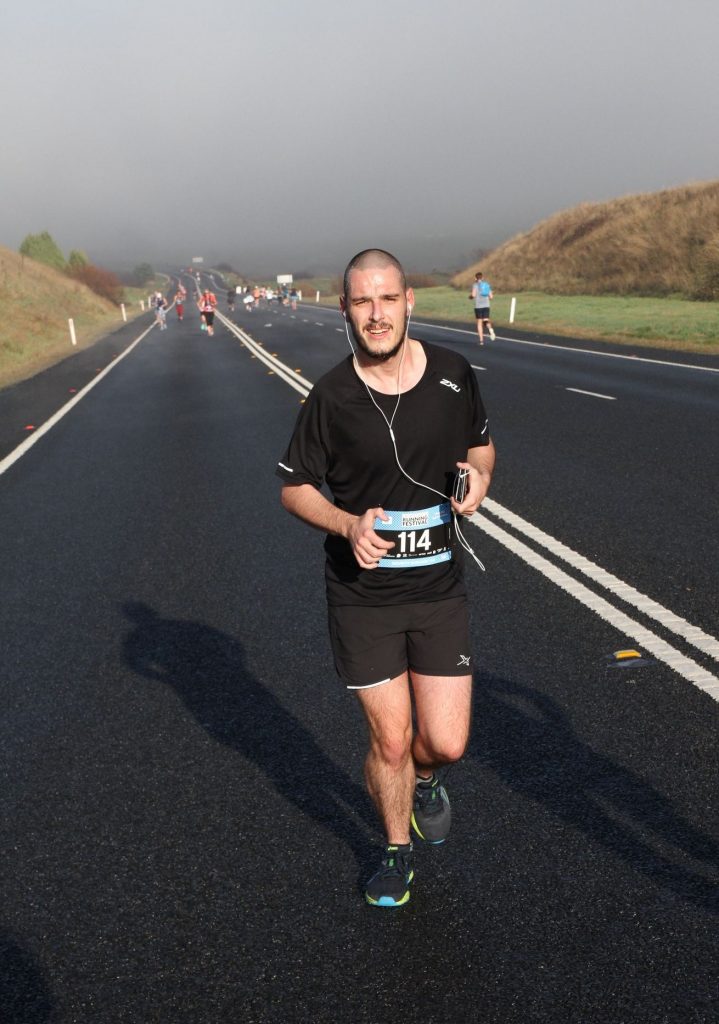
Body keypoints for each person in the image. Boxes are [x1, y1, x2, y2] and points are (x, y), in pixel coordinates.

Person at [276, 248, 495, 908]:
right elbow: (293, 488)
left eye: (387, 299)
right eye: (362, 302)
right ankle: (395, 851)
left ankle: (427, 781)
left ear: (408, 302)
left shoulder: (453, 374)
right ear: (344, 308)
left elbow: (478, 444)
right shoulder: (331, 396)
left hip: (437, 591)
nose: (376, 314)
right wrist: (346, 526)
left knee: (444, 742)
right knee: (391, 741)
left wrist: (478, 479)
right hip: (361, 597)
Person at [469, 271, 496, 345]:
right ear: (482, 277)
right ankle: (490, 329)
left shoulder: (475, 285)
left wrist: (470, 297)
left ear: (475, 278)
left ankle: (481, 341)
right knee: (486, 320)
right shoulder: (486, 285)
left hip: (478, 306)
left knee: (479, 323)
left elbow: (473, 295)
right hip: (486, 305)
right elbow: (491, 297)